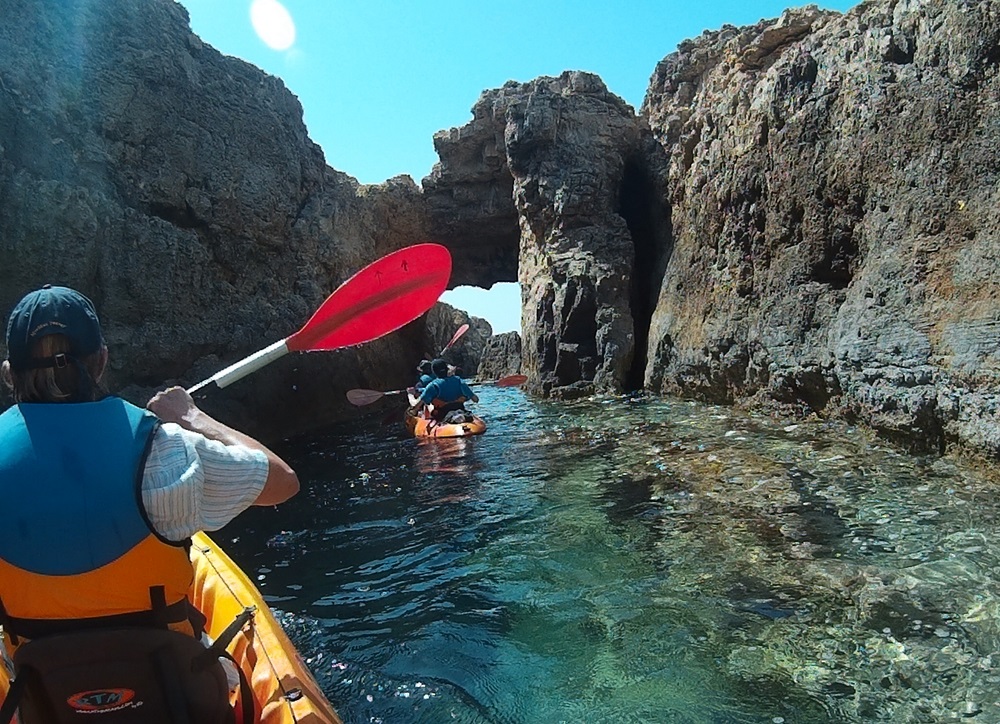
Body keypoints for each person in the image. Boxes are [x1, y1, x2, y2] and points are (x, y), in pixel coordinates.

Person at [0, 285, 299, 721]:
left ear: (9, 374)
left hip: (51, 706)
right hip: (175, 702)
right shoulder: (165, 449)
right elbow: (282, 483)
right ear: (101, 360)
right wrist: (192, 418)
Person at [408, 357, 479, 422]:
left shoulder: (433, 386)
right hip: (460, 409)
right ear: (446, 369)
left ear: (434, 372)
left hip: (443, 415)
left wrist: (410, 395)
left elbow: (416, 406)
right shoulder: (459, 381)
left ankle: (455, 418)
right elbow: (476, 399)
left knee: (428, 406)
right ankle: (460, 416)